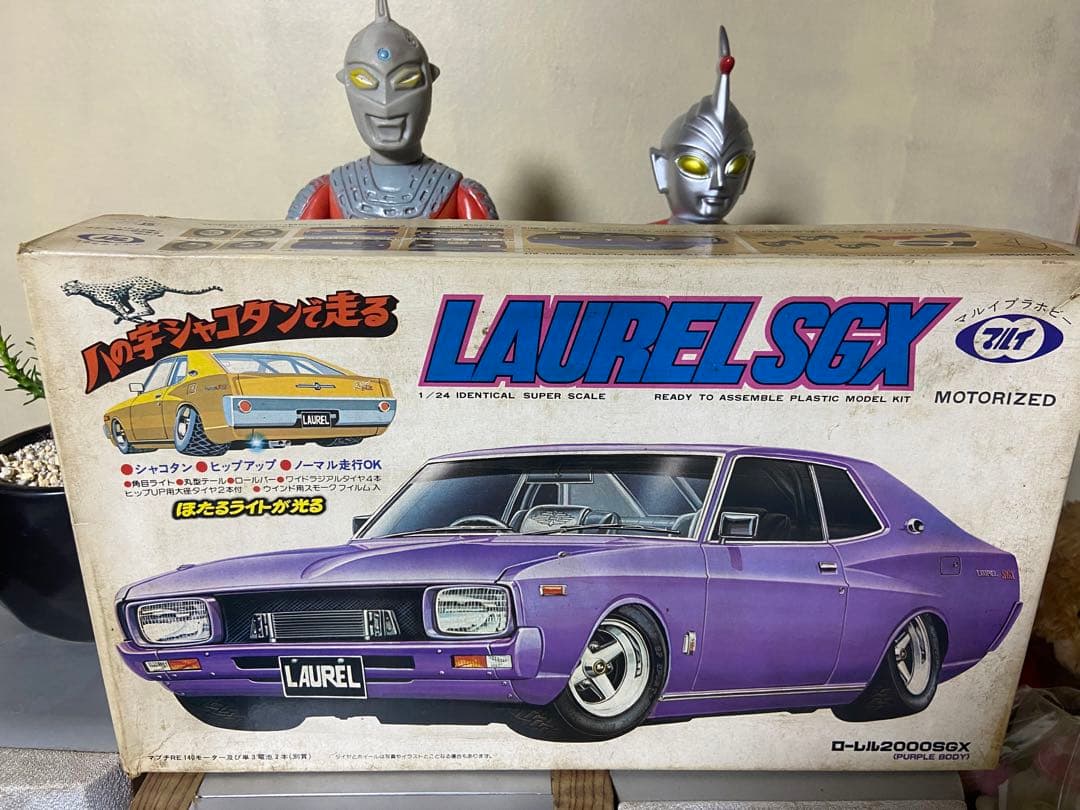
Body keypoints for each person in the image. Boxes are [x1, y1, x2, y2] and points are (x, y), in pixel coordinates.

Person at [288, 0, 497, 220]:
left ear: (430, 80)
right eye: (366, 81)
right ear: (347, 83)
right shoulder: (327, 192)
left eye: (406, 80)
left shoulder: (459, 193)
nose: (385, 102)